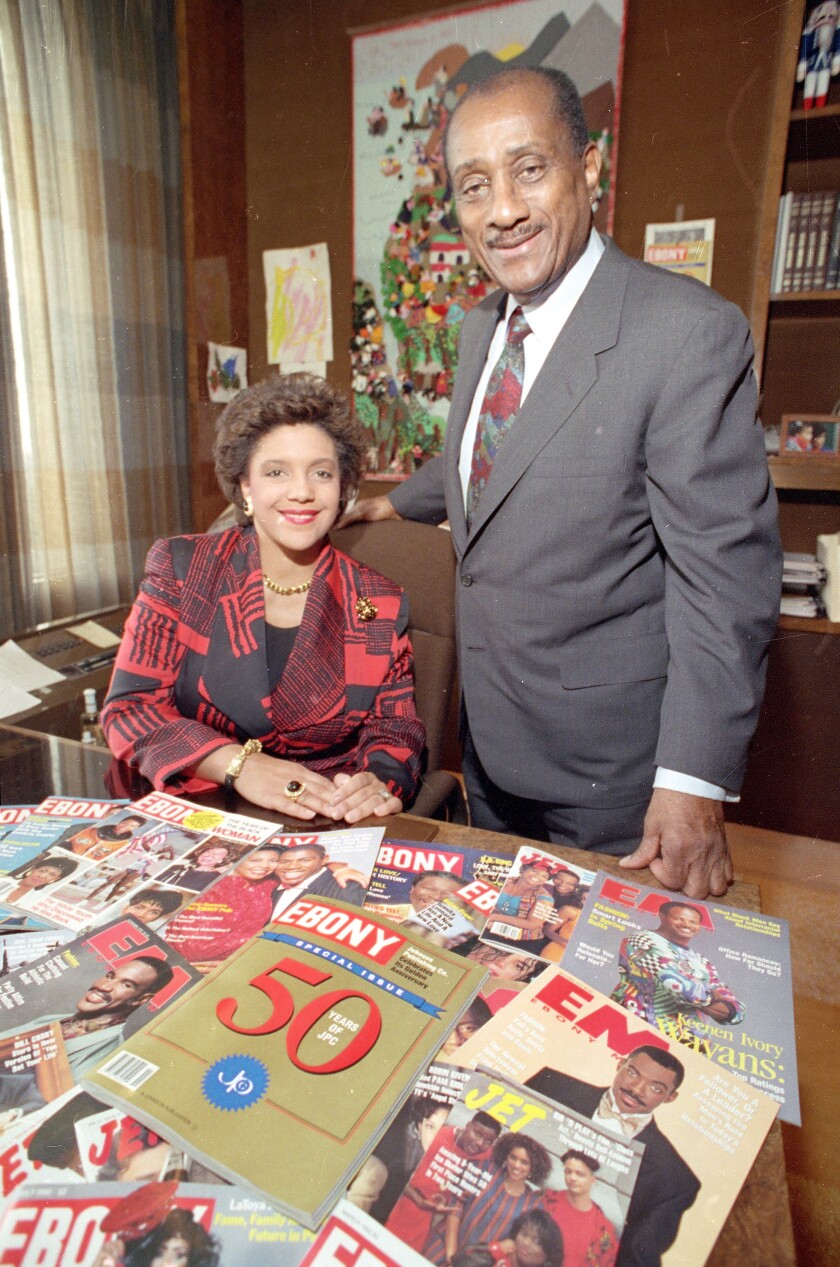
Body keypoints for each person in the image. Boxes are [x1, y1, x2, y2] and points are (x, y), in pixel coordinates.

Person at [342, 66, 782, 899]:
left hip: (615, 784)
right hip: (491, 750)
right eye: (475, 186)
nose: (501, 209)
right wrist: (394, 502)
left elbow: (726, 585)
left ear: (589, 167)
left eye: (529, 170)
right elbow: (502, 451)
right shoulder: (482, 326)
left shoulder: (686, 334)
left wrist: (691, 784)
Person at [102, 373, 425, 824]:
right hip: (199, 802)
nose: (302, 491)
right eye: (276, 472)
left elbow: (395, 726)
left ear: (343, 488)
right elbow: (129, 709)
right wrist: (240, 765)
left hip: (320, 820)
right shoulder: (183, 568)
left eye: (322, 472)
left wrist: (377, 779)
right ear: (246, 487)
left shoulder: (379, 601)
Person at [526, 1047, 699, 1267]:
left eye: (656, 1087)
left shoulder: (675, 1181)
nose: (636, 1089)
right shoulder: (551, 1085)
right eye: (633, 1073)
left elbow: (637, 1256)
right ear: (620, 1065)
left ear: (670, 1097)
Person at [6, 956, 174, 1078]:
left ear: (140, 999)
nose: (104, 986)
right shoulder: (53, 1020)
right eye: (110, 976)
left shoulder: (108, 1054)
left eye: (126, 984)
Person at [610, 900, 744, 1039]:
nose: (686, 925)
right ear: (662, 916)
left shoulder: (701, 961)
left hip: (688, 1041)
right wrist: (713, 997)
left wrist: (727, 1008)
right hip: (638, 1028)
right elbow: (674, 982)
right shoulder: (642, 939)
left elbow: (737, 1011)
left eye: (693, 922)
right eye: (678, 919)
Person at [428, 1132, 552, 1266]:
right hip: (445, 1246)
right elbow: (454, 1209)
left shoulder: (534, 1205)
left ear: (533, 1168)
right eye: (513, 1157)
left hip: (480, 1263)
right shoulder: (483, 1169)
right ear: (506, 1156)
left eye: (524, 1162)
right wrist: (451, 1256)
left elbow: (516, 1245)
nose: (516, 1165)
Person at [386, 1111, 502, 1253]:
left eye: (488, 1141)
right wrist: (419, 1201)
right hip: (410, 1197)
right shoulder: (438, 1135)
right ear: (467, 1126)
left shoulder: (489, 1158)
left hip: (443, 1214)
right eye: (477, 1134)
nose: (480, 1143)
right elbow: (401, 1174)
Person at [541, 1149, 618, 1267]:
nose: (572, 1178)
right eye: (568, 1171)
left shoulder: (603, 1228)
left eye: (580, 1174)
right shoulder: (546, 1199)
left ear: (592, 1180)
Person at [268, 841, 367, 918]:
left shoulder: (346, 889)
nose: (292, 866)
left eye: (305, 860)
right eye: (284, 862)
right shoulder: (274, 889)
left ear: (324, 860)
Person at [484, 860, 555, 954]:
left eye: (544, 876)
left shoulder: (545, 898)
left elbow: (532, 924)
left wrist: (493, 917)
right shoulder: (505, 881)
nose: (538, 877)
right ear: (523, 869)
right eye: (534, 871)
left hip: (524, 941)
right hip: (492, 928)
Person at [482, 1209, 565, 1267]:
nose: (526, 1243)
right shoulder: (493, 1254)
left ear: (549, 1255)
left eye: (537, 1242)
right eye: (524, 1234)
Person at [0, 855, 78, 905]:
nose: (42, 876)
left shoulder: (38, 899)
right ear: (33, 869)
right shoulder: (4, 881)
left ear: (55, 879)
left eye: (52, 875)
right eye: (42, 871)